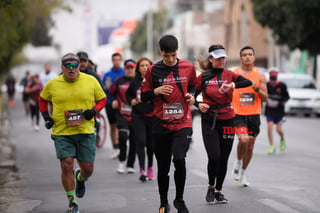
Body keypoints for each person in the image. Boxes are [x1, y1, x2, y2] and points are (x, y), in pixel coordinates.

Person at [38, 53, 106, 213]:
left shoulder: (90, 81)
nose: (71, 69)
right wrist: (46, 116)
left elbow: (102, 99)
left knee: (88, 169)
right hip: (62, 132)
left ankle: (80, 178)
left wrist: (94, 111)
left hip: (85, 131)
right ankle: (72, 201)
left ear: (79, 66)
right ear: (62, 68)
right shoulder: (53, 83)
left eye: (73, 65)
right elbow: (42, 99)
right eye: (67, 66)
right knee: (66, 164)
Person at [141, 35, 196, 213]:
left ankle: (179, 199)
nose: (170, 59)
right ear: (160, 52)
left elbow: (194, 86)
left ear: (177, 50)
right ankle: (164, 202)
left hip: (183, 122)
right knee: (163, 166)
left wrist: (192, 96)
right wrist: (156, 91)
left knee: (179, 159)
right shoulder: (152, 70)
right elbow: (144, 96)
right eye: (167, 56)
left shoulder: (188, 67)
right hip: (160, 124)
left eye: (173, 55)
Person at [194, 44, 252, 204]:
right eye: (218, 57)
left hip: (227, 120)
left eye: (223, 57)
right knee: (214, 156)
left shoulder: (230, 75)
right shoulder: (203, 77)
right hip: (209, 121)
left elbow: (247, 83)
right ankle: (211, 187)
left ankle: (218, 190)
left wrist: (232, 85)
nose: (221, 60)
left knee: (224, 158)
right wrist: (198, 105)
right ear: (211, 59)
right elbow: (192, 95)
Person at [231, 46, 268, 187]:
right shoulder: (234, 74)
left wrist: (256, 88)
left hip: (254, 115)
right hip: (238, 114)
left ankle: (243, 174)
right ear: (240, 58)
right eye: (244, 55)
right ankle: (239, 161)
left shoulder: (260, 76)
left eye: (250, 54)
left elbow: (265, 98)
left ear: (254, 57)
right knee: (244, 139)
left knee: (251, 146)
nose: (247, 57)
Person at [126, 57, 154, 182]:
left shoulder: (154, 81)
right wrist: (131, 100)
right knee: (141, 142)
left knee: (151, 144)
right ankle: (142, 169)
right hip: (137, 116)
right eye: (142, 65)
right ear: (138, 68)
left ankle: (150, 168)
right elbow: (128, 94)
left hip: (152, 116)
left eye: (147, 65)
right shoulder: (135, 81)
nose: (144, 68)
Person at [110, 59, 136, 174]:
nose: (130, 70)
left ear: (135, 68)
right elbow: (111, 92)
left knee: (134, 141)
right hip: (122, 114)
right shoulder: (119, 80)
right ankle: (121, 163)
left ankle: (130, 165)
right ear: (125, 68)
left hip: (136, 115)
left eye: (132, 67)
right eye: (128, 68)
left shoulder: (138, 81)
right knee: (123, 136)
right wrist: (114, 100)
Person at [77, 51, 106, 144]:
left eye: (84, 61)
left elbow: (102, 93)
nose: (82, 63)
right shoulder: (67, 75)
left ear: (88, 62)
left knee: (95, 122)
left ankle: (96, 133)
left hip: (91, 106)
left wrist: (95, 107)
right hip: (73, 108)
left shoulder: (93, 76)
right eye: (79, 61)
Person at [102, 52, 124, 159]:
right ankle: (115, 148)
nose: (116, 62)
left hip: (122, 104)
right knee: (113, 126)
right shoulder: (107, 74)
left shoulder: (125, 72)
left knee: (121, 126)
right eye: (114, 60)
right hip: (110, 103)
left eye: (118, 60)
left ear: (121, 60)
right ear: (112, 61)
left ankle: (121, 147)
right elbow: (102, 89)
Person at [265, 67, 290, 154]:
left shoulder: (282, 85)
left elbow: (287, 97)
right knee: (270, 127)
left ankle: (282, 139)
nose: (273, 75)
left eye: (274, 73)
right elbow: (263, 96)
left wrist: (280, 103)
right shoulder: (266, 85)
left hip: (279, 111)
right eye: (271, 73)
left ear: (277, 75)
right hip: (269, 111)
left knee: (279, 130)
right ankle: (271, 146)